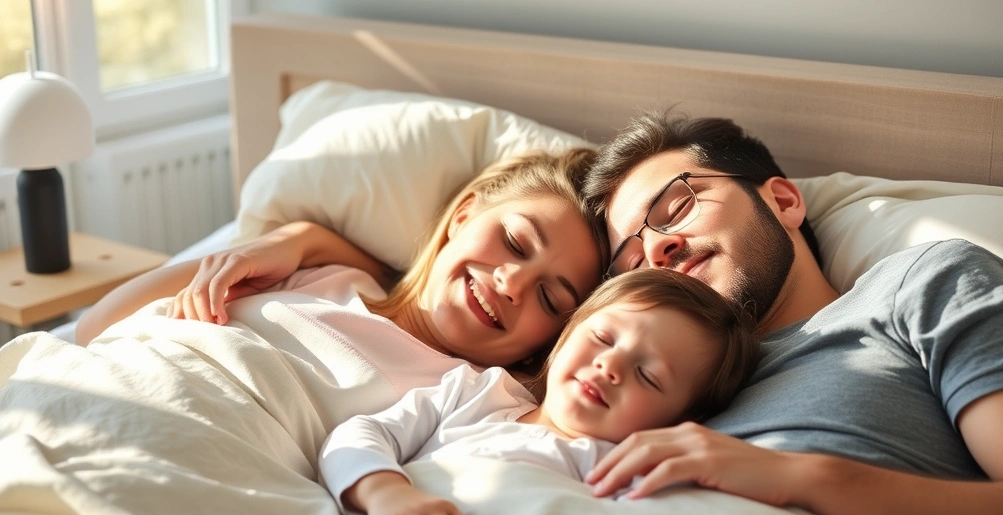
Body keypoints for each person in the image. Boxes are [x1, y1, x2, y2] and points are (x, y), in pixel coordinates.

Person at [580, 113, 1003, 515]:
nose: (656, 250)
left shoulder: (923, 283)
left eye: (676, 209)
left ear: (784, 201)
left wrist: (801, 477)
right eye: (634, 263)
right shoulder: (636, 386)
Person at [318, 268, 759, 515]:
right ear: (567, 333)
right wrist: (385, 493)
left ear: (679, 421)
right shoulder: (476, 394)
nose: (610, 366)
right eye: (603, 338)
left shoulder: (622, 471)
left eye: (648, 375)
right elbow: (360, 434)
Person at [78, 149, 608, 377]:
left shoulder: (470, 398)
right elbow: (93, 327)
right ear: (463, 216)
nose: (513, 283)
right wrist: (293, 240)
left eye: (550, 299)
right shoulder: (317, 273)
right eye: (514, 242)